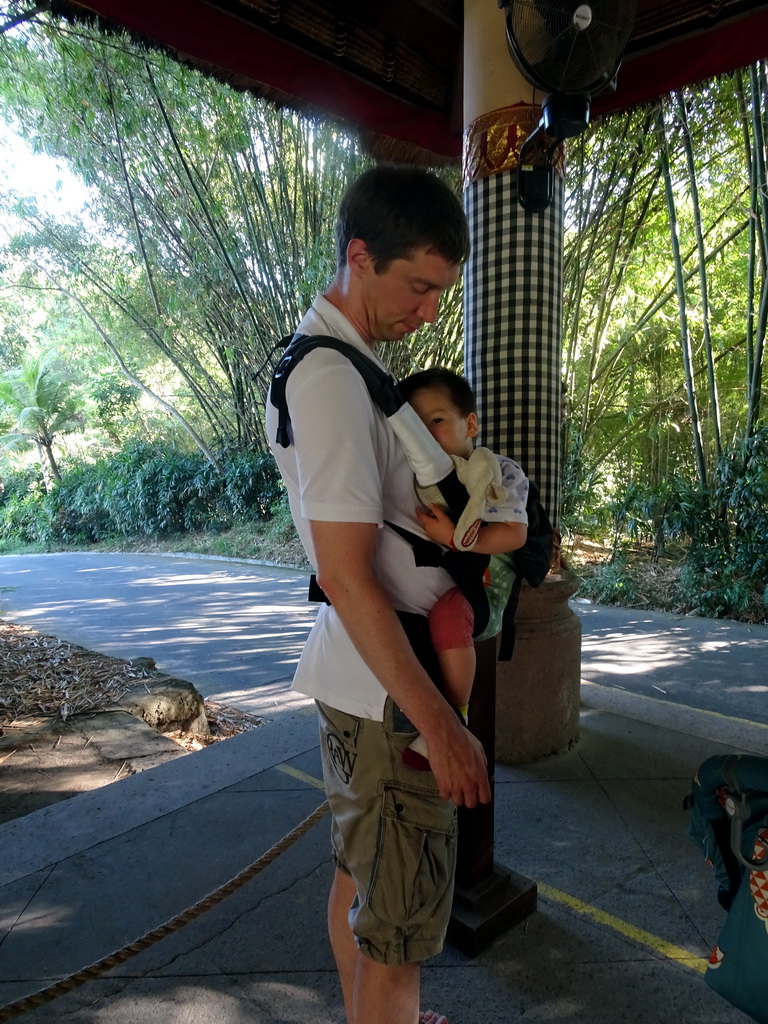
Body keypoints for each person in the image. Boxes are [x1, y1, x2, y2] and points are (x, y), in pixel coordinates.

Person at [266, 165, 491, 1024]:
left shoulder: (348, 363)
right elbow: (348, 575)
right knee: (397, 936)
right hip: (389, 693)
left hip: (363, 678)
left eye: (442, 291)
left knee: (364, 883)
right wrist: (445, 726)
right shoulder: (331, 379)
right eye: (420, 287)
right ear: (360, 257)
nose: (430, 311)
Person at [397, 368, 528, 770]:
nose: (425, 436)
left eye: (435, 422)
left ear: (470, 424)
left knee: (449, 614)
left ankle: (455, 717)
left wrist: (455, 537)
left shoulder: (499, 473)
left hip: (489, 593)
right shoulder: (418, 479)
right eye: (414, 428)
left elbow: (515, 534)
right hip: (459, 581)